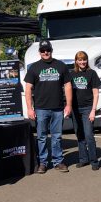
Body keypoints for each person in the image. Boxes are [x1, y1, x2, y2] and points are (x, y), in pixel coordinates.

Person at [24, 39, 72, 174]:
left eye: (48, 50)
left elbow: (68, 86)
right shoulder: (34, 67)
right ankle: (43, 163)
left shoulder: (61, 66)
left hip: (58, 108)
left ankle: (58, 161)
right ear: (39, 52)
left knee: (57, 136)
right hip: (41, 108)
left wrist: (68, 105)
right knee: (42, 137)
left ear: (51, 50)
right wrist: (29, 108)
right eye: (43, 50)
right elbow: (28, 89)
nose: (46, 52)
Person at [70, 51, 100, 171]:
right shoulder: (71, 74)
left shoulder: (92, 73)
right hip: (75, 109)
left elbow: (96, 93)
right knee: (80, 135)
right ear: (76, 61)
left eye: (84, 60)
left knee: (89, 135)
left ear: (87, 60)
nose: (82, 62)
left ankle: (94, 160)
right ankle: (83, 159)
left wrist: (93, 110)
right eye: (80, 60)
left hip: (88, 108)